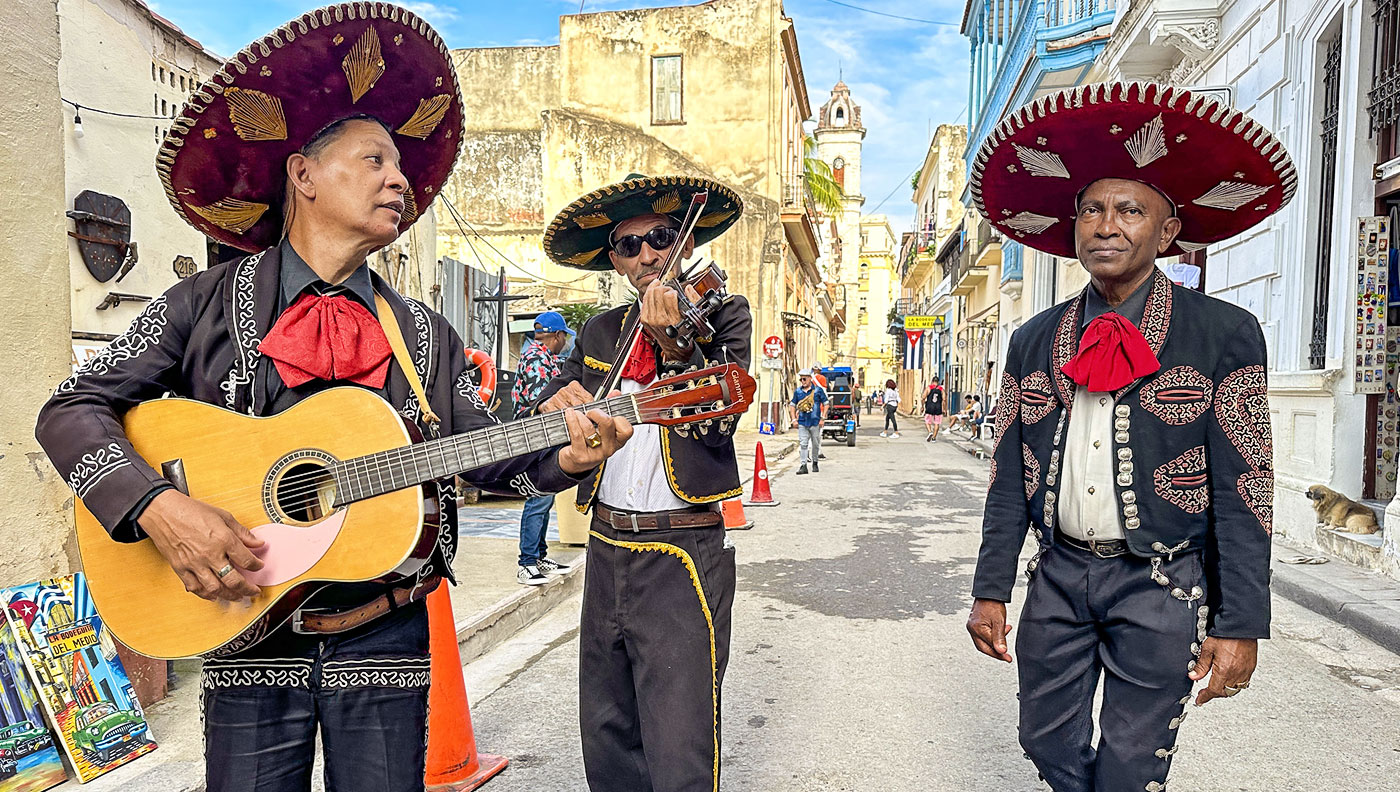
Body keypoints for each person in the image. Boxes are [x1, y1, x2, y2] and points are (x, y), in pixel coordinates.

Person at [33, 9, 632, 790]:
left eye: (401, 166)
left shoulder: (424, 332)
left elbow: (488, 459)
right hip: (243, 624)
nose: (401, 180)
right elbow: (70, 409)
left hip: (386, 635)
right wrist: (158, 507)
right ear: (304, 175)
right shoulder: (202, 303)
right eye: (375, 159)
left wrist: (563, 453)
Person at [965, 82, 1287, 791]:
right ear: (1073, 226)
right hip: (1057, 577)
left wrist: (1241, 624)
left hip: (1162, 584)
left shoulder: (1223, 333)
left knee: (1131, 768)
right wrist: (991, 589)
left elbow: (1247, 490)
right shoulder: (1031, 339)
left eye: (1129, 210)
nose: (1106, 225)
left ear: (1166, 233)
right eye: (1091, 210)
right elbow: (1007, 479)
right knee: (1044, 744)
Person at [532, 173, 751, 792]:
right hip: (606, 545)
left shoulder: (724, 314)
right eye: (629, 246)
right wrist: (558, 403)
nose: (648, 254)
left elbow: (721, 420)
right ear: (616, 262)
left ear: (681, 241)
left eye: (659, 237)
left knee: (680, 742)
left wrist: (672, 341)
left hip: (682, 548)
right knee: (606, 731)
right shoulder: (602, 332)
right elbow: (559, 398)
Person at [511, 311, 577, 585]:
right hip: (535, 436)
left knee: (545, 496)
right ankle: (526, 563)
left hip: (540, 436)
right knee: (537, 497)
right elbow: (545, 407)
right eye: (565, 337)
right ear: (558, 336)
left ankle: (538, 555)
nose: (565, 342)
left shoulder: (539, 356)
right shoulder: (538, 359)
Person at [790, 368, 828, 475]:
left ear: (810, 379)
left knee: (815, 444)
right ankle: (803, 465)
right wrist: (793, 419)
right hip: (802, 421)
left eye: (804, 379)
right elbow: (792, 405)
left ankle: (815, 462)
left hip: (815, 422)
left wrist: (823, 418)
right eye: (801, 379)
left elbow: (826, 403)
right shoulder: (798, 392)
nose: (803, 381)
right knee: (803, 443)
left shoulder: (818, 391)